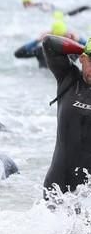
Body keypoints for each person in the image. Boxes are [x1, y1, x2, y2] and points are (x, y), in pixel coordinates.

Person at [41, 35, 91, 198]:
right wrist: (83, 47)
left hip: (88, 194)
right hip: (56, 187)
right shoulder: (69, 80)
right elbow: (50, 43)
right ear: (83, 59)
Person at [14, 18, 84, 69]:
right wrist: (79, 40)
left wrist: (37, 40)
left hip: (43, 81)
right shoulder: (73, 52)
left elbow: (18, 54)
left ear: (51, 36)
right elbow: (88, 50)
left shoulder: (42, 51)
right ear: (67, 37)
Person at [21, 0, 89, 17]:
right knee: (75, 12)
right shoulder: (37, 5)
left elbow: (50, 8)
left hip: (60, 14)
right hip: (58, 13)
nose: (25, 6)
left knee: (73, 13)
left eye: (24, 4)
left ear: (28, 2)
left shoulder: (38, 5)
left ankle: (86, 8)